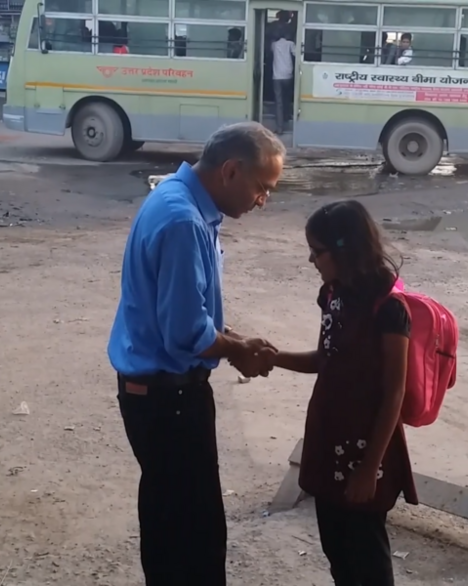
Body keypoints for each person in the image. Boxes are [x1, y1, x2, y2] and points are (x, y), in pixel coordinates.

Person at [108, 122, 285, 586]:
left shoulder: (180, 200)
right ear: (230, 171)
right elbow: (186, 333)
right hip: (169, 400)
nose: (263, 200)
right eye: (262, 188)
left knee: (174, 519)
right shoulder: (183, 219)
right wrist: (235, 348)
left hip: (160, 394)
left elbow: (188, 308)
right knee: (191, 535)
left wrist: (229, 338)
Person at [269, 200, 417, 586]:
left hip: (366, 451)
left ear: (344, 248)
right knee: (337, 550)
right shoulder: (332, 295)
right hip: (329, 437)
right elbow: (325, 357)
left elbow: (393, 393)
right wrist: (272, 357)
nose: (311, 260)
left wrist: (369, 468)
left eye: (317, 251)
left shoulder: (389, 309)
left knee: (366, 558)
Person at [271, 27, 295, 135]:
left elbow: (270, 52)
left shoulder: (274, 45)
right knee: (287, 98)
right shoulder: (290, 44)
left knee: (279, 102)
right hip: (288, 75)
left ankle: (280, 128)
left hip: (277, 76)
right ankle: (287, 117)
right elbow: (297, 54)